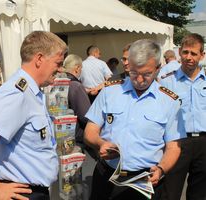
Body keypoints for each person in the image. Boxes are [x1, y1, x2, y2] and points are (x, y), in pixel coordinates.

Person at [84, 39, 184, 200]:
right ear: (128, 65)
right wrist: (100, 143)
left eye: (146, 74)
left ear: (158, 68)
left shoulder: (170, 101)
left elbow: (174, 147)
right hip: (107, 176)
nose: (139, 79)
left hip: (145, 180)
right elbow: (90, 131)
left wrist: (161, 169)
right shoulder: (109, 91)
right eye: (134, 73)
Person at [0, 31, 67, 200]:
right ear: (39, 59)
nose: (61, 69)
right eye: (58, 63)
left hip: (32, 192)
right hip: (20, 194)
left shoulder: (32, 92)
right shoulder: (17, 93)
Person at [160, 33, 206, 200]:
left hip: (203, 143)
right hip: (177, 143)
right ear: (179, 52)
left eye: (194, 53)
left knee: (200, 194)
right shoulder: (166, 82)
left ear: (202, 55)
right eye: (185, 52)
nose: (189, 57)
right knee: (170, 192)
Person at [63, 54, 97, 159]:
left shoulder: (59, 82)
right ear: (77, 68)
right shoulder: (76, 85)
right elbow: (85, 116)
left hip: (61, 134)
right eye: (81, 68)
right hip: (75, 138)